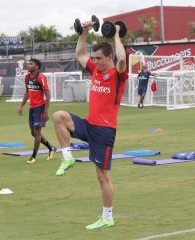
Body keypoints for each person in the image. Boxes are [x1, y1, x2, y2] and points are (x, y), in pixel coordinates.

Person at [52, 21, 128, 229]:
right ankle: (67, 157)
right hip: (88, 124)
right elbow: (79, 54)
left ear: (109, 57)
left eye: (99, 58)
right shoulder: (95, 70)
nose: (95, 61)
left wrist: (117, 35)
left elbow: (122, 58)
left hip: (104, 131)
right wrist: (84, 32)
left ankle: (107, 216)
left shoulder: (118, 75)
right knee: (59, 116)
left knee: (102, 176)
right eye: (94, 58)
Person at [18, 58, 57, 164]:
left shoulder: (41, 77)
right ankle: (51, 147)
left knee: (37, 132)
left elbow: (48, 94)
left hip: (40, 107)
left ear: (37, 67)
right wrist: (21, 106)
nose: (28, 65)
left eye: (31, 64)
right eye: (28, 64)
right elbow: (27, 92)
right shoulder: (27, 77)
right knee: (33, 132)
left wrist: (46, 111)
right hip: (32, 108)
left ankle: (33, 157)